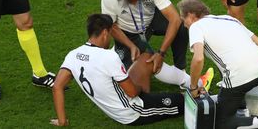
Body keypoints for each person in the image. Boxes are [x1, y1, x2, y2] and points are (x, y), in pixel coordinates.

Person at [50, 14, 184, 126]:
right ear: (104, 33)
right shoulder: (108, 56)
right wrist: (139, 88)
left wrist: (62, 121)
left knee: (146, 58)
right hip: (132, 111)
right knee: (182, 100)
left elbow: (57, 87)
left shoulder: (73, 54)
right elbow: (132, 93)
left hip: (115, 106)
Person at [177, 0, 258, 129]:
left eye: (183, 20)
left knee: (222, 123)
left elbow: (198, 58)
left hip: (240, 76)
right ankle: (242, 110)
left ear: (190, 15)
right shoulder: (229, 18)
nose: (184, 25)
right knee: (228, 73)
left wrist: (194, 87)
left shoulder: (196, 26)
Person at [101, 0, 206, 89]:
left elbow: (174, 19)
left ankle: (181, 70)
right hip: (128, 32)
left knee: (181, 27)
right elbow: (112, 26)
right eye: (131, 1)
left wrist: (161, 53)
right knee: (130, 77)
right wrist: (130, 46)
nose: (134, 4)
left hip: (151, 21)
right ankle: (118, 51)